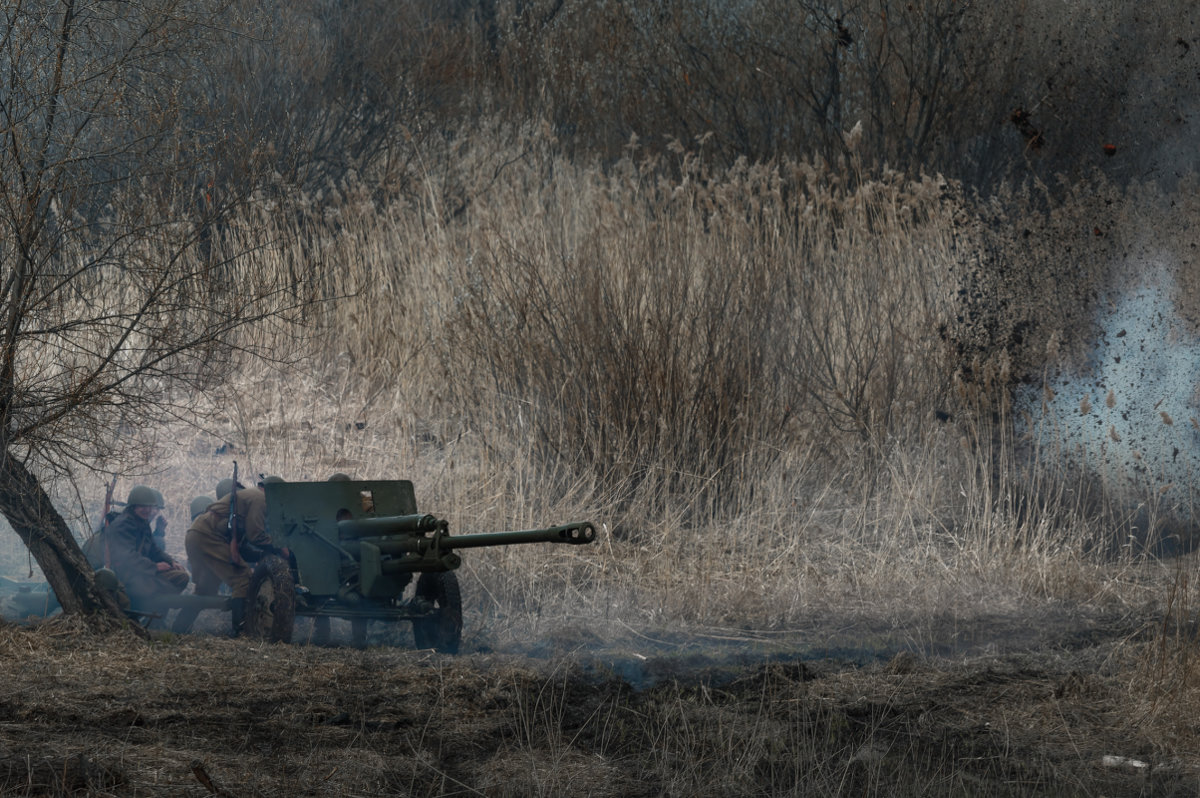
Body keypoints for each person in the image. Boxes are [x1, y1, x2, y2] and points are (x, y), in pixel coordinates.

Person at [177, 477, 278, 636]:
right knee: (242, 578)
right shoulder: (260, 498)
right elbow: (256, 535)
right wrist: (278, 547)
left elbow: (241, 545)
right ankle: (241, 632)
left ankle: (178, 629)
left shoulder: (247, 497)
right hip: (208, 536)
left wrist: (259, 555)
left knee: (205, 590)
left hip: (197, 534)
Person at [83, 485, 189, 610]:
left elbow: (154, 550)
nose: (147, 510)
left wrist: (171, 561)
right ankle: (145, 607)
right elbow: (127, 557)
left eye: (149, 506)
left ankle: (152, 606)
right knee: (157, 590)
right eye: (142, 506)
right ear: (133, 507)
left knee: (182, 577)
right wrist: (154, 567)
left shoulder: (142, 522)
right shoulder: (123, 525)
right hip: (125, 576)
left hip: (140, 572)